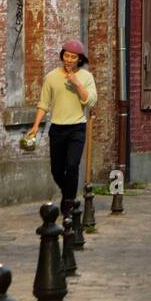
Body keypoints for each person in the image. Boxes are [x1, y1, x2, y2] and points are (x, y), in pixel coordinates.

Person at [26, 40, 97, 217]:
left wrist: (77, 83)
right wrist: (35, 126)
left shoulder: (86, 77)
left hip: (77, 128)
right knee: (57, 170)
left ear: (79, 59)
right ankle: (69, 196)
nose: (69, 60)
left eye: (73, 57)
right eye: (66, 56)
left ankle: (68, 204)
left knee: (72, 165)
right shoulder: (51, 77)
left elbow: (91, 101)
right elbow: (43, 104)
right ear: (62, 56)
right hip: (57, 128)